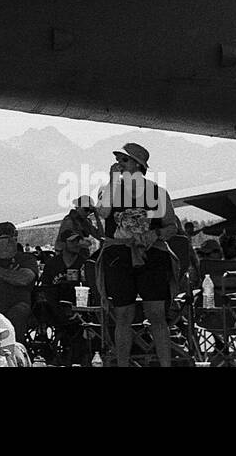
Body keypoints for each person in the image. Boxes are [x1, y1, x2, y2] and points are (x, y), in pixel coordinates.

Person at [96, 142, 179, 367]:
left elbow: (172, 226)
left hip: (151, 254)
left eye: (124, 160)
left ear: (138, 165)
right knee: (123, 315)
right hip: (119, 255)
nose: (118, 164)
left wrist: (156, 234)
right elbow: (103, 212)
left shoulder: (157, 192)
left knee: (157, 315)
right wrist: (113, 182)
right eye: (118, 160)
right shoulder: (109, 188)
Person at [36, 230, 92, 365]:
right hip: (56, 309)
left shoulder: (84, 263)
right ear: (63, 244)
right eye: (72, 241)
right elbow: (45, 289)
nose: (76, 244)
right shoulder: (53, 264)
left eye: (78, 241)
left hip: (80, 308)